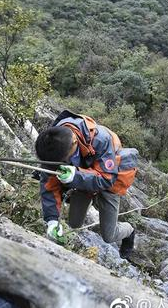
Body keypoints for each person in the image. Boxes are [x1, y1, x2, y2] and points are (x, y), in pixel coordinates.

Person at [35, 110, 138, 259]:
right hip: (80, 180)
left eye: (66, 159)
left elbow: (106, 178)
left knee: (109, 235)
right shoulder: (52, 148)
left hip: (109, 181)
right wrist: (51, 220)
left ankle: (130, 231)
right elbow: (48, 186)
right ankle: (89, 198)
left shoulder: (101, 139)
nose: (62, 163)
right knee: (74, 223)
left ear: (75, 142)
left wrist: (76, 176)